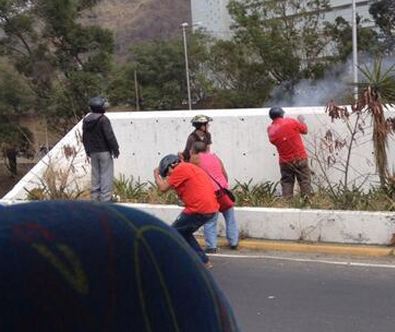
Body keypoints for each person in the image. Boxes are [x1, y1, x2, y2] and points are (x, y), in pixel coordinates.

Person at [0, 200, 240, 331]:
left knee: (181, 231)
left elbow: (166, 188)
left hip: (199, 208)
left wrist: (159, 177)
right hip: (216, 204)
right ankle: (211, 252)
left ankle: (208, 254)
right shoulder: (147, 239)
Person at [154, 154, 218, 270]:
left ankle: (161, 260)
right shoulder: (189, 168)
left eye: (168, 173)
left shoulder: (180, 169)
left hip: (198, 208)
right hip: (210, 208)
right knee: (185, 232)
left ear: (172, 165)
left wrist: (156, 174)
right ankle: (204, 262)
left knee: (172, 232)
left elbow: (163, 188)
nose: (169, 176)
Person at [190, 141, 239, 253]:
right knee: (230, 217)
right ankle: (233, 242)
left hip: (210, 193)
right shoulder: (215, 158)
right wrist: (224, 186)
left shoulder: (195, 159)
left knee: (210, 220)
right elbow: (224, 173)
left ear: (194, 151)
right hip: (224, 191)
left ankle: (211, 246)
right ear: (206, 149)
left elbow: (190, 175)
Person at [267, 106, 314, 199]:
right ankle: (306, 201)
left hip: (284, 161)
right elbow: (305, 130)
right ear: (281, 114)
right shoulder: (290, 121)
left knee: (287, 182)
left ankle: (287, 203)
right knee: (304, 180)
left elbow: (273, 141)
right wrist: (301, 120)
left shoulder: (270, 129)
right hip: (300, 158)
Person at [82, 96, 120, 202]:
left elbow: (84, 137)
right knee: (106, 175)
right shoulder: (103, 119)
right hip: (104, 151)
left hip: (93, 152)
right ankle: (106, 199)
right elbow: (110, 136)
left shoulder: (86, 120)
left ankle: (94, 198)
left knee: (95, 175)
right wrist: (115, 149)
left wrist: (87, 151)